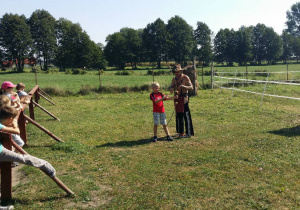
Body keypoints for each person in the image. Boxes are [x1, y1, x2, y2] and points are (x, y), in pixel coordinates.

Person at [0, 106, 56, 177]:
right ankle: (44, 164)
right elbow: (16, 131)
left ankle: (44, 164)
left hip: (1, 152)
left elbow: (13, 131)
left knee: (22, 158)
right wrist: (15, 125)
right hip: (1, 152)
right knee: (22, 158)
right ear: (10, 119)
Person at [169, 64, 194, 138]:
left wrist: (183, 86)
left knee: (186, 115)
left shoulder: (186, 77)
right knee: (178, 115)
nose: (176, 73)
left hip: (184, 98)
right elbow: (171, 88)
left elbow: (191, 87)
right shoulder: (174, 79)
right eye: (175, 72)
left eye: (177, 72)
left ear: (180, 71)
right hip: (177, 98)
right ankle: (180, 132)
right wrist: (171, 88)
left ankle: (188, 133)